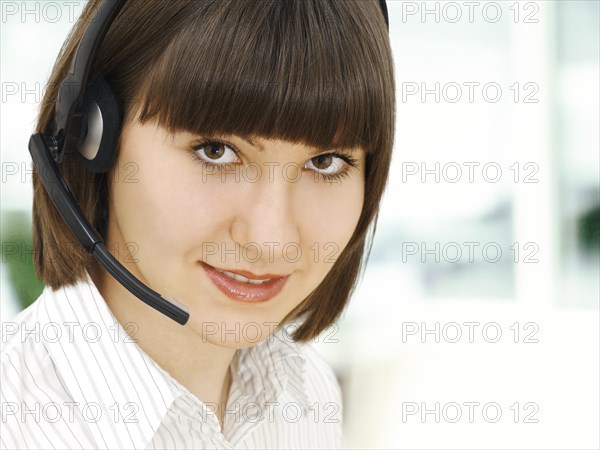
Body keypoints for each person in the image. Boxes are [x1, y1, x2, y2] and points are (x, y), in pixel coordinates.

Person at [0, 0, 395, 448]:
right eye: (215, 152)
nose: (271, 240)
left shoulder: (305, 393)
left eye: (325, 162)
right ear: (91, 137)